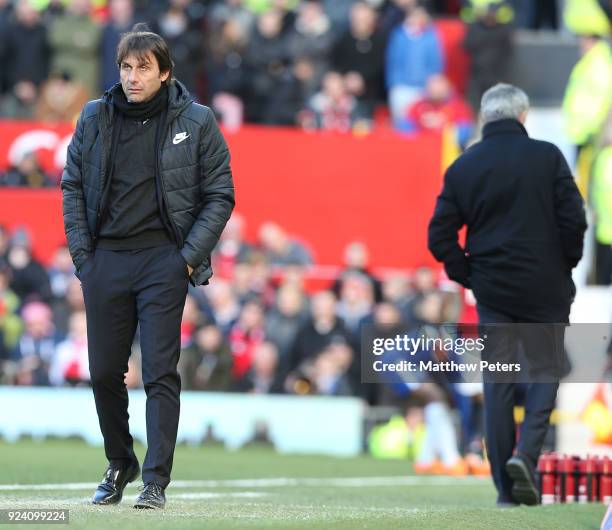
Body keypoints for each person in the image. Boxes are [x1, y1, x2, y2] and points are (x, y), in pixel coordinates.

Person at [61, 24, 235, 509]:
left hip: (165, 260)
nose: (133, 77)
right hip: (106, 261)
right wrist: (84, 260)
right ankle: (120, 462)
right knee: (102, 373)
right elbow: (72, 185)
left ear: (165, 73)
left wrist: (185, 260)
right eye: (126, 67)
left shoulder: (197, 121)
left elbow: (220, 194)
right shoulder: (95, 117)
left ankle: (155, 481)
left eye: (143, 68)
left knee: (160, 373)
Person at [428, 84, 587, 506]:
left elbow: (439, 236)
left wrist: (470, 276)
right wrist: (564, 264)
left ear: (484, 118)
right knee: (544, 371)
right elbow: (574, 220)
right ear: (523, 116)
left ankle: (504, 488)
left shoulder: (464, 166)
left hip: (494, 292)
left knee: (497, 383)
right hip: (545, 289)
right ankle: (526, 456)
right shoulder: (547, 157)